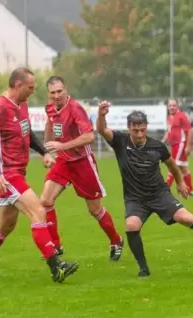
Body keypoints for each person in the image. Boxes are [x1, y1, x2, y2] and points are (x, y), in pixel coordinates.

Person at [96, 101, 193, 277]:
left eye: (142, 130)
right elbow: (102, 130)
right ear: (128, 128)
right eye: (135, 130)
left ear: (146, 127)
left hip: (159, 194)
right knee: (131, 226)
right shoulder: (120, 142)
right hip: (135, 198)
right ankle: (143, 269)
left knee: (186, 217)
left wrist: (180, 182)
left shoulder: (157, 146)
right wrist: (101, 114)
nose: (139, 134)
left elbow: (172, 164)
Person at [0, 68, 79, 283]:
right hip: (6, 175)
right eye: (30, 87)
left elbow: (28, 134)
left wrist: (44, 152)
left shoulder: (22, 105)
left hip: (17, 172)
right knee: (38, 210)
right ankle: (56, 267)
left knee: (6, 226)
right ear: (18, 86)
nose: (33, 91)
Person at [41, 76, 124, 261]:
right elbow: (49, 123)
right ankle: (55, 245)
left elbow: (89, 137)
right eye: (53, 92)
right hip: (63, 162)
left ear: (66, 89)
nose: (56, 96)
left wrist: (62, 146)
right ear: (48, 93)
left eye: (59, 91)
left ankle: (116, 240)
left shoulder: (75, 109)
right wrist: (46, 150)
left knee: (95, 210)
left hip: (82, 163)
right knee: (45, 201)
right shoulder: (50, 108)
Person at [162, 99, 193, 196]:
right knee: (184, 168)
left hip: (180, 144)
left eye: (174, 105)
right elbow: (168, 132)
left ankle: (165, 190)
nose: (172, 107)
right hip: (174, 146)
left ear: (177, 106)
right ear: (168, 107)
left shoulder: (181, 116)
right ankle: (191, 190)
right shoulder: (169, 118)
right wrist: (162, 142)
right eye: (170, 105)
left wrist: (188, 146)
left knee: (173, 166)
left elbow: (189, 130)